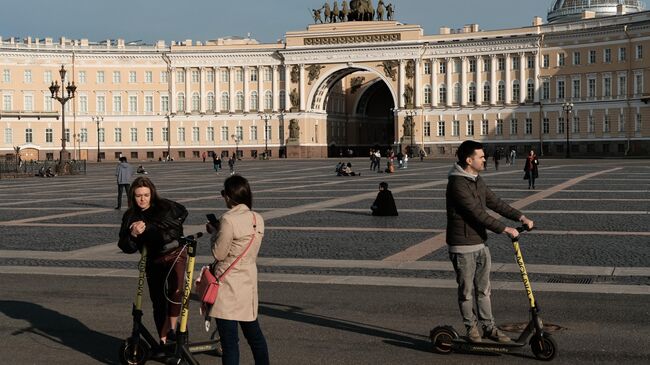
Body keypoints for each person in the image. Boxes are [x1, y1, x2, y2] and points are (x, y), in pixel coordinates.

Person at [446, 140, 534, 344]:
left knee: (484, 290)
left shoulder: (476, 179)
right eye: (481, 156)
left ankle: (489, 328)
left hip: (480, 244)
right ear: (469, 160)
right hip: (462, 246)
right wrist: (504, 229)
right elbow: (476, 214)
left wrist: (520, 217)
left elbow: (495, 202)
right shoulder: (457, 184)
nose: (485, 159)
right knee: (467, 292)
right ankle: (471, 329)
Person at [205, 175, 270, 365]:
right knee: (255, 336)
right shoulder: (257, 218)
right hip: (248, 283)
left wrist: (214, 233)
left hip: (228, 286)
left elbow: (219, 253)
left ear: (229, 196)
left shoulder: (228, 219)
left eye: (224, 193)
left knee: (230, 342)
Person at [118, 176, 189, 344]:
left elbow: (181, 214)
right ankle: (163, 339)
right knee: (158, 300)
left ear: (152, 194)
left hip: (174, 253)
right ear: (133, 197)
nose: (143, 199)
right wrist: (133, 234)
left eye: (146, 195)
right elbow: (125, 246)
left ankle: (174, 329)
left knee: (176, 290)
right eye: (138, 195)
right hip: (153, 259)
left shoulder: (163, 206)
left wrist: (153, 228)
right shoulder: (130, 216)